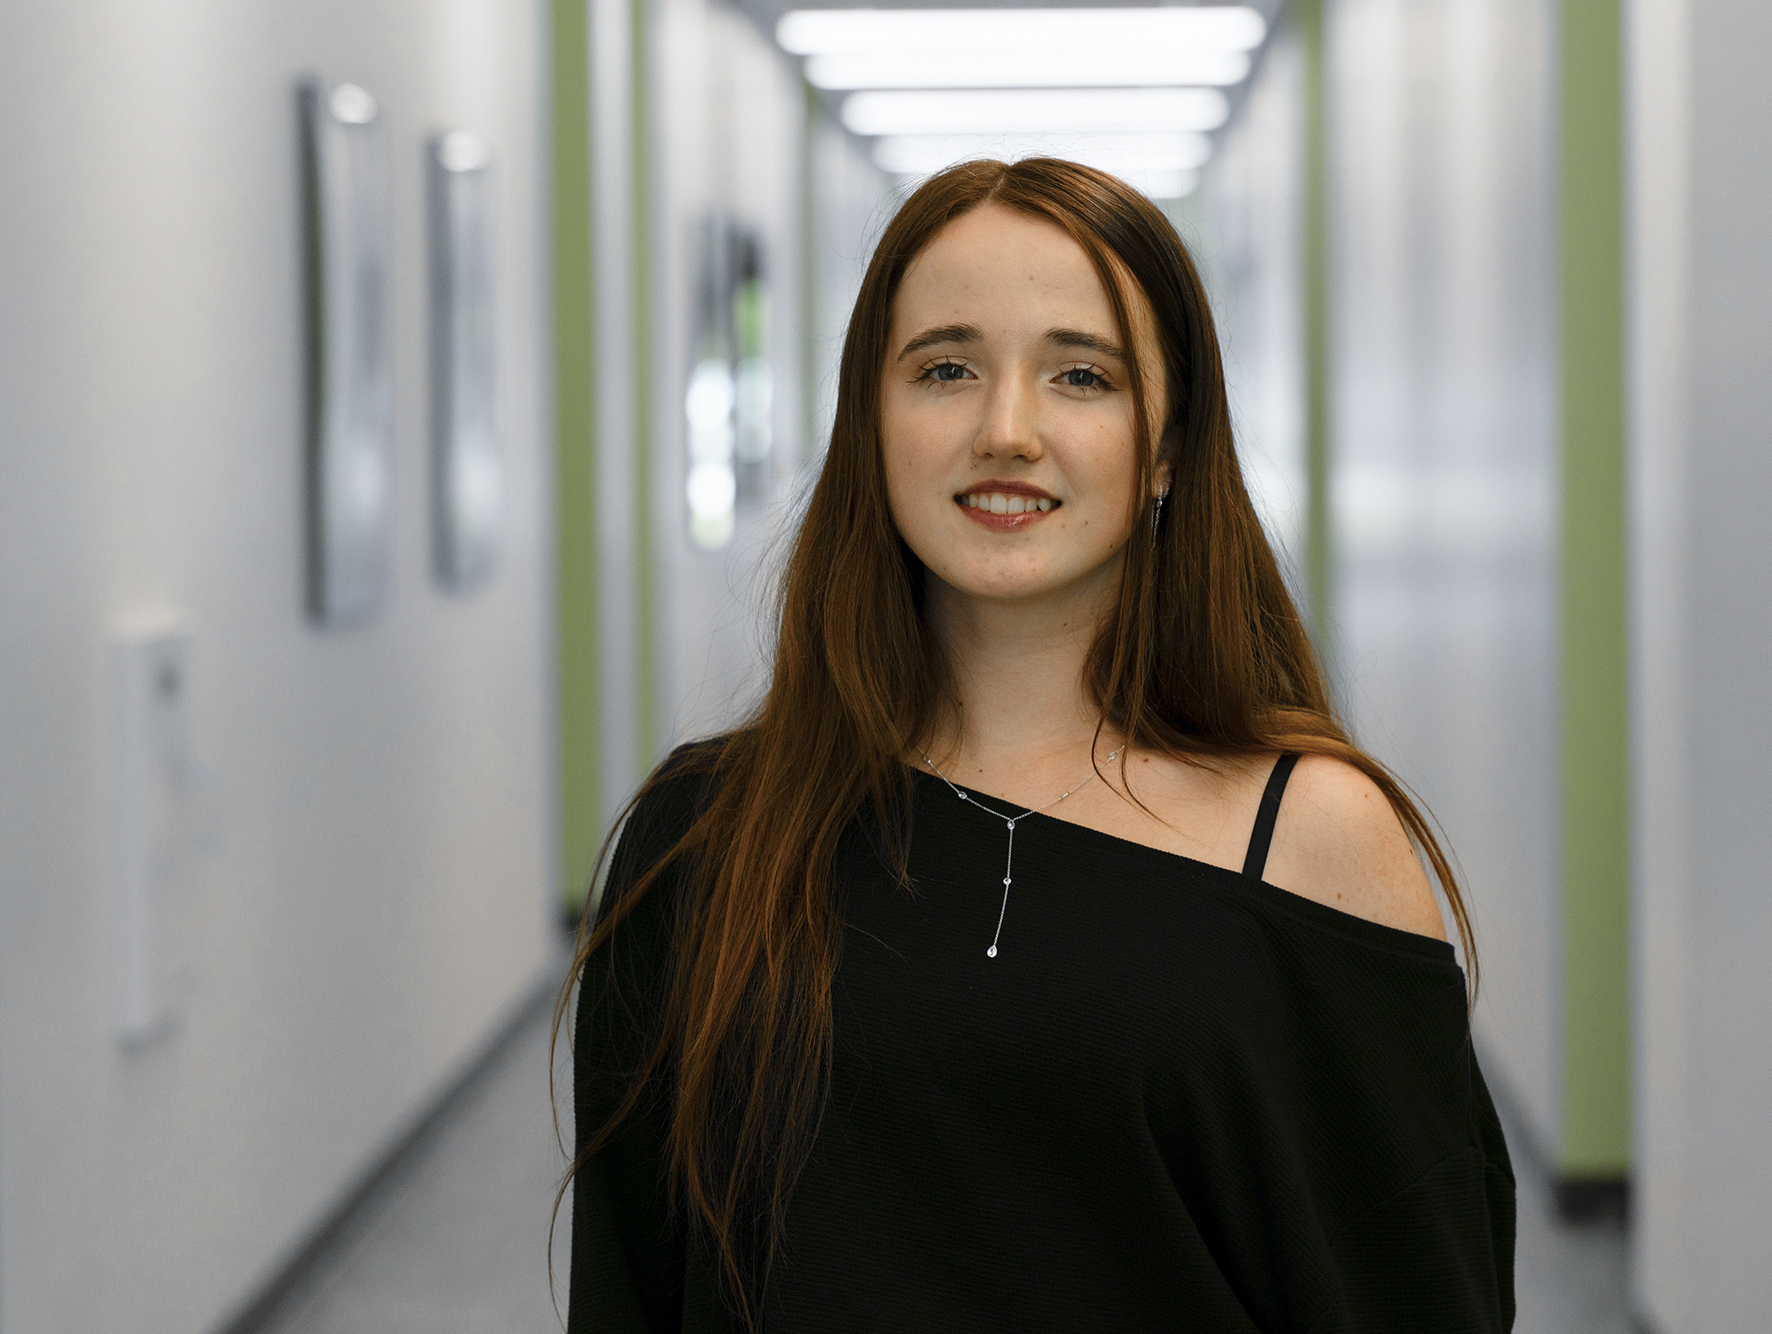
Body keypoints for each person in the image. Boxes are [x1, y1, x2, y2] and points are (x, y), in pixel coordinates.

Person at [561, 158, 1514, 1333]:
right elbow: (630, 1289)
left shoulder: (1310, 841)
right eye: (946, 368)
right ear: (871, 421)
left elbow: (1420, 1298)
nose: (1005, 431)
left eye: (1080, 374)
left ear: (1166, 445)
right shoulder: (703, 835)